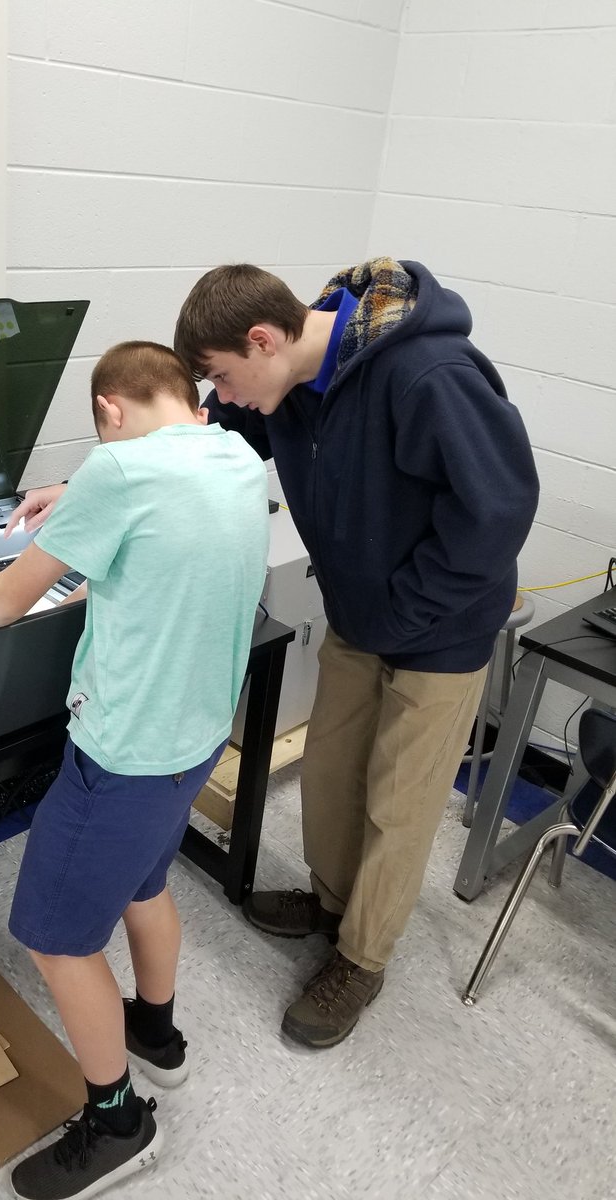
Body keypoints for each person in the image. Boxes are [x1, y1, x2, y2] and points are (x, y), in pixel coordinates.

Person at [0, 341, 269, 1199]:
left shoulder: (119, 473)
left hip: (122, 751)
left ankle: (117, 1119)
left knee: (52, 938)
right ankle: (155, 1035)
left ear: (110, 411)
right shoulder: (230, 451)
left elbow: (6, 596)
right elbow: (154, 550)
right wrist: (81, 506)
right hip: (194, 738)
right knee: (143, 886)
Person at [173, 258, 539, 1048]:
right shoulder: (287, 381)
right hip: (361, 615)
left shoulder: (427, 373)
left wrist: (407, 609)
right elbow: (196, 430)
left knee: (398, 804)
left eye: (226, 377)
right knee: (333, 776)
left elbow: (499, 510)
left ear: (264, 340)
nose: (225, 398)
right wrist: (101, 480)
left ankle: (362, 959)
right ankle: (333, 904)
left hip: (439, 628)